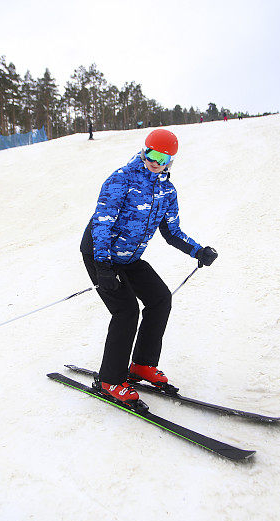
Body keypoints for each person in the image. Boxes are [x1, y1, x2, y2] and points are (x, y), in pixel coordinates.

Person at [80, 129, 218, 405]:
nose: (156, 161)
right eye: (151, 153)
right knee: (126, 311)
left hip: (129, 258)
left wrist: (198, 251)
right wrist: (103, 267)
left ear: (171, 160)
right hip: (100, 254)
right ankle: (110, 379)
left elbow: (172, 231)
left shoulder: (167, 191)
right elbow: (102, 224)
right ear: (144, 150)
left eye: (163, 157)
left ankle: (142, 365)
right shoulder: (121, 179)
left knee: (160, 299)